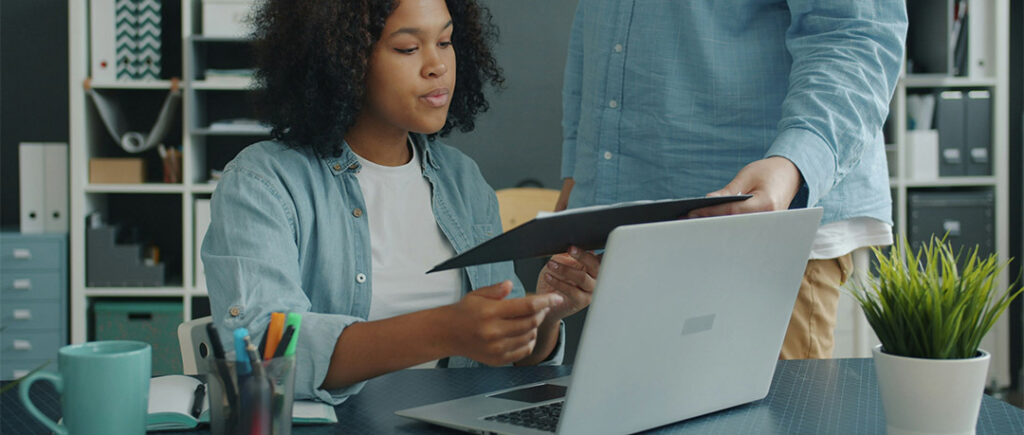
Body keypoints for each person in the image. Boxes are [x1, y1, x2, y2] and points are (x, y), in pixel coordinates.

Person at [202, 0, 599, 404]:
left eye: (445, 42)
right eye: (408, 49)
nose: (437, 65)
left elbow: (508, 358)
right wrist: (443, 330)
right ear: (342, 59)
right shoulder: (263, 182)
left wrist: (546, 314)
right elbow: (261, 350)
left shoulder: (464, 181)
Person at [557, 1, 907, 359]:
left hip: (761, 226)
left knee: (770, 415)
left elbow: (854, 31)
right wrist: (577, 170)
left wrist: (793, 164)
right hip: (620, 228)